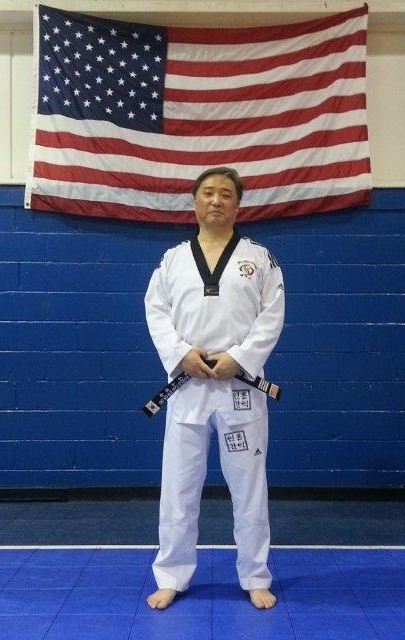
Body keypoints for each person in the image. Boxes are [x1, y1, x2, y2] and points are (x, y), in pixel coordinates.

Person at [144, 166, 285, 610]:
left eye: (226, 194)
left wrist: (239, 359)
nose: (216, 200)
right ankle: (171, 574)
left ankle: (255, 575)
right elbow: (155, 311)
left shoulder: (259, 258)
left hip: (239, 387)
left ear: (238, 204)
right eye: (208, 193)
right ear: (194, 201)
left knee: (248, 486)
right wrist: (181, 353)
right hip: (187, 385)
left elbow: (272, 315)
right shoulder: (172, 259)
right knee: (179, 485)